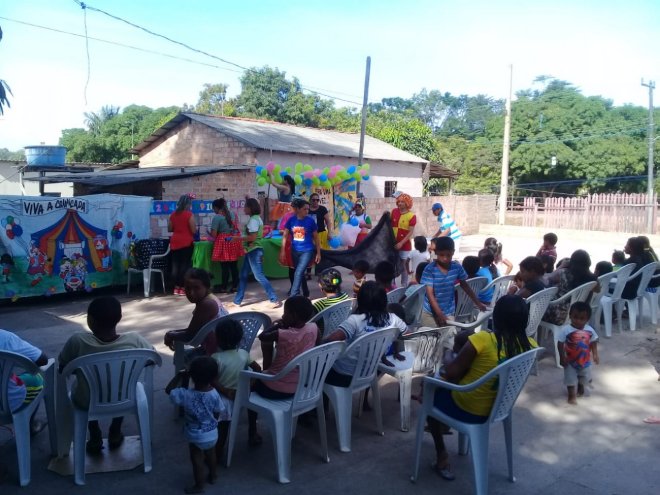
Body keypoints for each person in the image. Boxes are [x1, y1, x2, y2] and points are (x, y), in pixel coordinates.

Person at [426, 295, 536, 480]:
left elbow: (451, 372)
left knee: (431, 393)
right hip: (500, 407)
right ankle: (444, 427)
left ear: (498, 317)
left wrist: (448, 355)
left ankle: (442, 456)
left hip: (469, 407)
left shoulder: (484, 339)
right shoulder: (530, 346)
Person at [58, 296, 153, 454]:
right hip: (124, 399)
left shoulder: (77, 341)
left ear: (90, 320)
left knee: (83, 387)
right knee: (123, 385)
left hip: (87, 401)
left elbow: (63, 368)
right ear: (120, 318)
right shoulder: (135, 340)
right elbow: (151, 359)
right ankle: (115, 431)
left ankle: (94, 434)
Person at [250, 297, 319, 444]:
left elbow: (263, 337)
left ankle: (252, 431)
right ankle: (304, 416)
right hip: (302, 387)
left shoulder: (284, 334)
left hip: (275, 389)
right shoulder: (314, 328)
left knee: (250, 382)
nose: (282, 316)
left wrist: (276, 325)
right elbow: (318, 347)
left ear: (293, 315)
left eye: (285, 313)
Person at [323, 281, 408, 386]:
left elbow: (330, 341)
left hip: (344, 375)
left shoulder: (354, 321)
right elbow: (407, 334)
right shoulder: (394, 319)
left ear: (361, 300)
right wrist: (394, 349)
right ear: (384, 301)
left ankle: (326, 401)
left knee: (322, 366)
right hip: (370, 373)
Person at [167, 357, 226, 494]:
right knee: (211, 455)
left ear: (192, 376)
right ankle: (213, 476)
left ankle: (199, 486)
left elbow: (169, 390)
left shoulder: (185, 394)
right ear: (214, 376)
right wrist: (213, 423)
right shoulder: (214, 394)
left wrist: (180, 376)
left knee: (197, 460)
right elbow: (218, 411)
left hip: (195, 435)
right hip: (212, 433)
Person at [420, 237, 487, 361]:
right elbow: (430, 294)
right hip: (429, 313)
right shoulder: (430, 269)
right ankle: (428, 371)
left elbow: (465, 285)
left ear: (453, 252)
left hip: (448, 311)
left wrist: (477, 302)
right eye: (441, 255)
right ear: (436, 253)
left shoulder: (456, 267)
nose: (445, 258)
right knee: (430, 344)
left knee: (449, 342)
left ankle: (441, 369)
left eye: (448, 255)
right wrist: (439, 314)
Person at [164, 268, 228, 357]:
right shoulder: (210, 298)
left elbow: (190, 335)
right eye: (187, 288)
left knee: (181, 356)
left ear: (207, 287)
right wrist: (171, 333)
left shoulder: (206, 304)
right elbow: (193, 329)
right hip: (221, 349)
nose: (191, 293)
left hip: (217, 355)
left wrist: (170, 335)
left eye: (196, 288)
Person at [232, 198, 281, 308]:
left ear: (250, 208)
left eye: (245, 206)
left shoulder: (254, 220)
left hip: (254, 251)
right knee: (243, 275)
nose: (244, 208)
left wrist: (237, 239)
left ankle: (274, 299)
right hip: (252, 251)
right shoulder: (255, 218)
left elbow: (252, 237)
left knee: (259, 276)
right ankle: (237, 301)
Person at [0, 329, 48, 434]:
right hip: (7, 405)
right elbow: (42, 359)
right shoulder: (5, 338)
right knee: (36, 379)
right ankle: (30, 426)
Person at [557, 301, 599, 405]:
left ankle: (581, 387)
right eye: (575, 317)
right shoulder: (566, 330)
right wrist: (562, 357)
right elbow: (560, 343)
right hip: (569, 360)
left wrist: (595, 354)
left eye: (582, 318)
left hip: (584, 360)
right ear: (570, 315)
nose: (578, 321)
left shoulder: (590, 330)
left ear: (587, 319)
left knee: (583, 377)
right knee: (570, 379)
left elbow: (593, 342)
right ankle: (571, 396)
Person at [279, 197, 321, 298]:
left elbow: (316, 237)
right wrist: (282, 251)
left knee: (298, 272)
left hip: (307, 251)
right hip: (294, 251)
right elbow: (285, 235)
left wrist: (318, 253)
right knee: (300, 273)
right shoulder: (291, 220)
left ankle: (294, 295)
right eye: (304, 209)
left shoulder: (310, 221)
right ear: (298, 209)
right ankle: (306, 293)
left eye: (308, 209)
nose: (307, 211)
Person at [543, 250, 598, 325]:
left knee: (538, 309)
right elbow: (598, 290)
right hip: (580, 313)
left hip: (560, 314)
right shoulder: (592, 278)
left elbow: (546, 279)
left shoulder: (564, 273)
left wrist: (561, 265)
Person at [209, 198, 242, 293]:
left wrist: (210, 233)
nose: (213, 210)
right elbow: (236, 228)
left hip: (223, 243)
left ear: (216, 207)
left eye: (213, 208)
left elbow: (214, 234)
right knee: (233, 266)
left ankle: (223, 287)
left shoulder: (217, 217)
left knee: (224, 267)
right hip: (233, 241)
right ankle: (235, 286)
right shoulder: (233, 214)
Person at [169, 194, 197, 296]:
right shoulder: (189, 215)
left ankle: (176, 288)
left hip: (175, 242)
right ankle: (183, 288)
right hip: (186, 242)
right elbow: (193, 230)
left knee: (175, 266)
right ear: (188, 204)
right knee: (185, 265)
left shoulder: (173, 215)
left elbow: (170, 229)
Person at [391, 192, 416, 287]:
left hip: (405, 246)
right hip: (393, 244)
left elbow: (410, 232)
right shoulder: (394, 211)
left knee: (404, 266)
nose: (400, 203)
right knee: (392, 264)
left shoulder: (412, 216)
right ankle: (391, 284)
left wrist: (401, 243)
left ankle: (404, 285)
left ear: (407, 203)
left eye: (402, 202)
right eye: (399, 201)